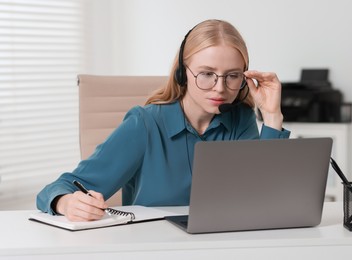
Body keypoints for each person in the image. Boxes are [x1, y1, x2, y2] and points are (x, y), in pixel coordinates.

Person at [36, 19, 290, 221]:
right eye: (207, 74)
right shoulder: (144, 125)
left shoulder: (240, 119)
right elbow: (62, 186)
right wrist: (67, 203)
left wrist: (271, 116)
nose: (220, 88)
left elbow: (265, 198)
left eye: (232, 76)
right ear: (182, 73)